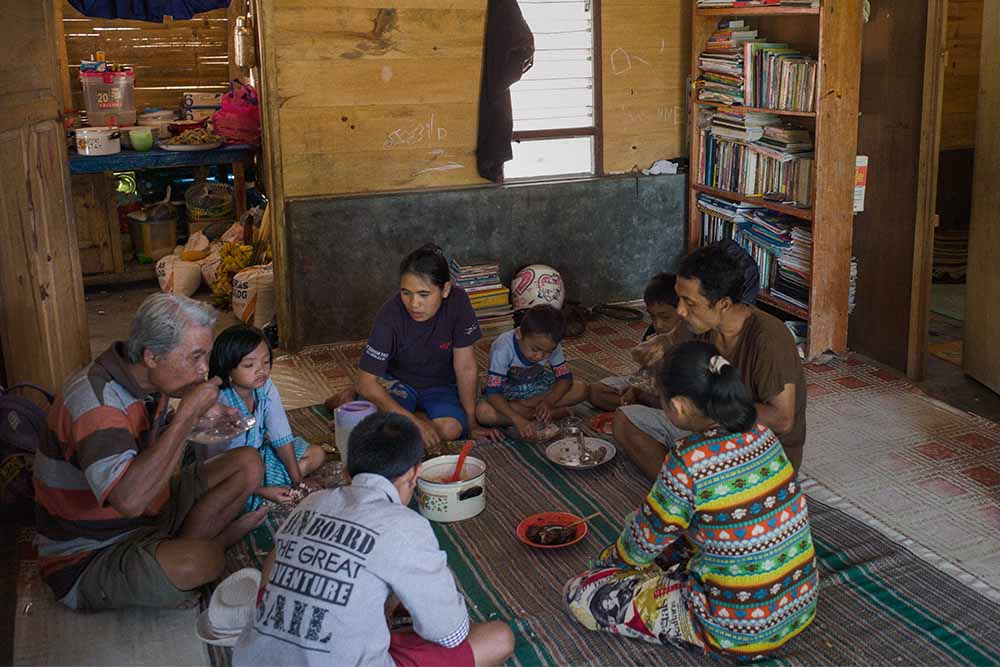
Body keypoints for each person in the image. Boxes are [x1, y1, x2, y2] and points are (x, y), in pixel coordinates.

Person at [565, 341, 818, 660]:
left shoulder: (688, 459)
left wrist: (609, 564)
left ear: (680, 406)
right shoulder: (762, 433)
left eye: (663, 401)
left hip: (736, 631)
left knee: (581, 593)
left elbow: (641, 545)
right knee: (674, 530)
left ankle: (696, 617)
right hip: (798, 605)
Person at [34, 293, 266, 611]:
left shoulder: (147, 381)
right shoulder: (96, 403)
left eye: (206, 357)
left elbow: (146, 441)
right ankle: (200, 546)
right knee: (205, 561)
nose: (203, 371)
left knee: (249, 464)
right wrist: (186, 417)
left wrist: (198, 417)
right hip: (92, 552)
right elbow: (128, 501)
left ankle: (174, 548)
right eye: (194, 357)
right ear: (152, 356)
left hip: (149, 514)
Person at [233, 412, 515, 667]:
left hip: (255, 658)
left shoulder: (311, 502)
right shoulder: (406, 526)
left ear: (346, 473)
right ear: (414, 475)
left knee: (287, 552)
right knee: (498, 638)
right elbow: (450, 634)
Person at [616, 244, 807, 478]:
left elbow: (782, 420)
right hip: (713, 430)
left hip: (761, 452)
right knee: (625, 421)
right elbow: (668, 344)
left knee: (684, 444)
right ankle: (685, 492)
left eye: (690, 302)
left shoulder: (769, 339)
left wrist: (708, 408)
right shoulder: (699, 324)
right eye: (679, 300)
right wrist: (653, 351)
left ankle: (692, 490)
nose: (681, 311)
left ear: (723, 304)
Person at [333, 244, 499, 448]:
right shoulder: (390, 316)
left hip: (439, 386)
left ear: (445, 289)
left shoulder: (458, 302)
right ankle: (357, 403)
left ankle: (366, 404)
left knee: (452, 429)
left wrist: (472, 423)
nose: (413, 304)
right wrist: (413, 422)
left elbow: (465, 367)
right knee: (391, 433)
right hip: (397, 383)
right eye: (406, 293)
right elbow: (367, 382)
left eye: (424, 294)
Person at [206, 324, 326, 509]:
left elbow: (280, 434)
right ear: (227, 368)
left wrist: (297, 482)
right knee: (234, 502)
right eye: (249, 365)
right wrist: (260, 490)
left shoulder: (265, 386)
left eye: (266, 361)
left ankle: (276, 486)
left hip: (258, 455)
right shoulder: (221, 404)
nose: (261, 370)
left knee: (316, 454)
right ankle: (261, 492)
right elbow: (219, 466)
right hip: (224, 471)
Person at [474, 304, 588, 440]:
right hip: (509, 396)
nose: (540, 356)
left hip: (539, 392)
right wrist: (517, 419)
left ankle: (538, 412)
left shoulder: (551, 344)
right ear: (519, 334)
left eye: (547, 353)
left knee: (581, 388)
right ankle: (552, 414)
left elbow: (565, 378)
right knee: (483, 413)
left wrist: (548, 401)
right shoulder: (502, 348)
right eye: (535, 350)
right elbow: (493, 392)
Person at [590, 272, 691, 414]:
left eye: (665, 317)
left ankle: (636, 412)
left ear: (683, 311)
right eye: (653, 317)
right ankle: (634, 410)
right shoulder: (653, 334)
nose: (658, 325)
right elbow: (644, 373)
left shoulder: (693, 339)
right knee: (596, 391)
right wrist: (634, 389)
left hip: (675, 398)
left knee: (656, 401)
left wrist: (641, 391)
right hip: (649, 386)